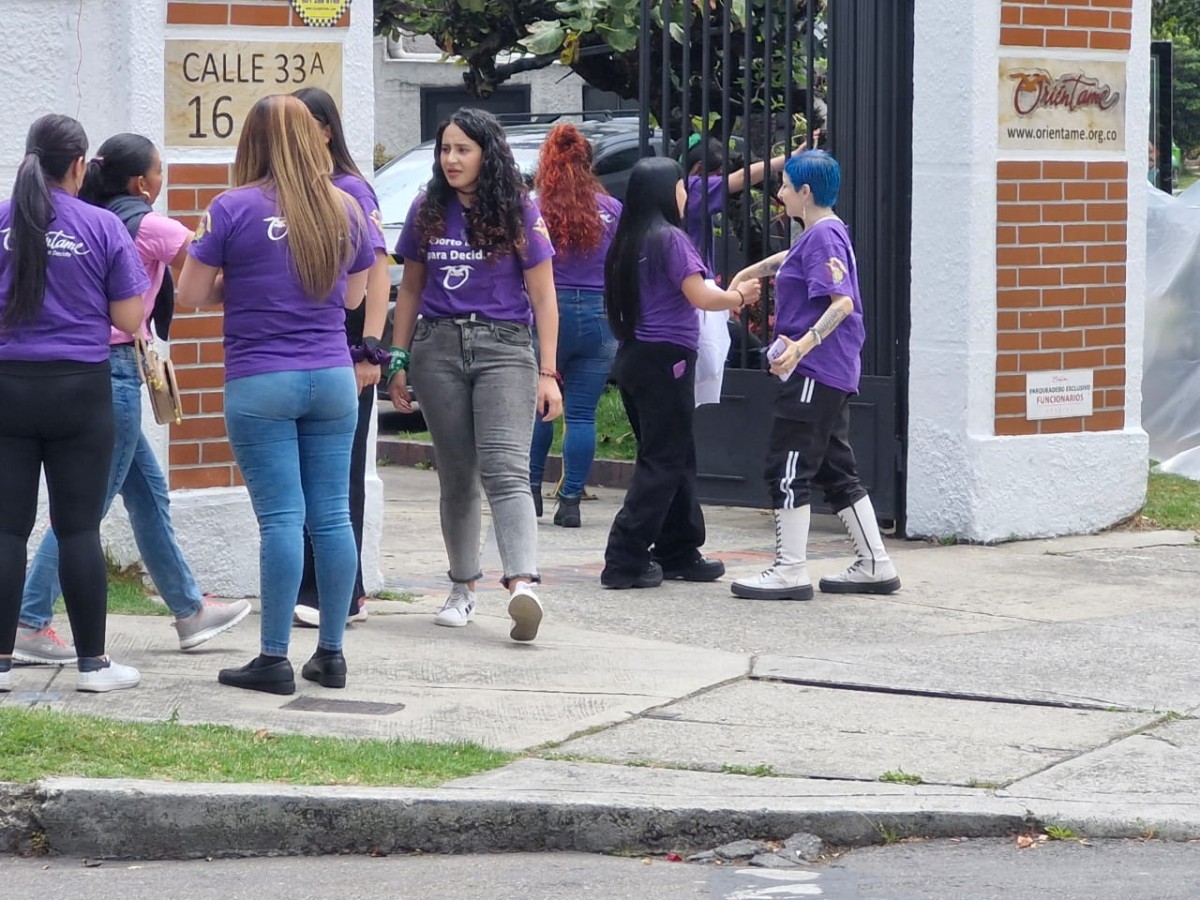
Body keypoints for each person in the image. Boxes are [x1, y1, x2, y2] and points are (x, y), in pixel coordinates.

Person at [10, 133, 251, 666]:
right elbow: (211, 270)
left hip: (82, 372)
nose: (163, 180)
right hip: (110, 372)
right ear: (141, 181)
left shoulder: (84, 214)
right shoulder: (152, 225)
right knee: (83, 513)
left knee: (147, 494)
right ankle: (29, 620)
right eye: (160, 171)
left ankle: (189, 610)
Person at [177, 95, 375, 695]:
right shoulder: (344, 206)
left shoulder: (230, 208)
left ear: (252, 143)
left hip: (261, 377)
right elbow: (352, 298)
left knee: (283, 519)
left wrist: (238, 280)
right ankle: (332, 653)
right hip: (332, 376)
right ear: (312, 140)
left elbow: (190, 293)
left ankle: (272, 658)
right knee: (333, 515)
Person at [386, 107, 562, 641]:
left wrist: (548, 372)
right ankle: (462, 589)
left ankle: (523, 584)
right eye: (445, 149)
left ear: (487, 152)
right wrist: (398, 359)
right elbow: (410, 289)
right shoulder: (427, 207)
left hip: (505, 347)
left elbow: (544, 295)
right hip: (435, 348)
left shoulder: (519, 211)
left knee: (506, 471)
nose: (451, 159)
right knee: (456, 474)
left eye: (462, 149)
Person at [0, 114, 148, 693]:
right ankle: (92, 666)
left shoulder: (4, 221)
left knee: (6, 532)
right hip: (80, 391)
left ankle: (2, 666)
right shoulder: (102, 225)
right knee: (79, 527)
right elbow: (128, 319)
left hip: (8, 386)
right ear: (81, 165)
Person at [727, 150, 900, 601]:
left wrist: (800, 347)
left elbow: (841, 303)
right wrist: (748, 273)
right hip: (830, 373)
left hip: (813, 372)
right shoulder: (825, 233)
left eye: (784, 186)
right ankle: (875, 563)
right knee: (835, 468)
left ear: (805, 192)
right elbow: (790, 259)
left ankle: (790, 569)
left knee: (788, 467)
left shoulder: (823, 238)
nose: (779, 193)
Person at [600, 157, 760, 590]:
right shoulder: (669, 238)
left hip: (635, 357)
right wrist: (737, 296)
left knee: (674, 455)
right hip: (665, 359)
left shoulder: (627, 238)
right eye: (683, 187)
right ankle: (625, 557)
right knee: (664, 461)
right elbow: (700, 295)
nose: (687, 195)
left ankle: (678, 549)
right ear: (667, 192)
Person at [290, 87, 391, 631]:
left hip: (349, 347)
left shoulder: (352, 189)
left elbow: (377, 274)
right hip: (311, 347)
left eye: (306, 125)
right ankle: (316, 584)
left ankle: (343, 592)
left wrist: (370, 351)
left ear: (327, 130)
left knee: (342, 473)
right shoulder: (299, 191)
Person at [527, 124, 621, 528]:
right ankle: (570, 503)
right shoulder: (612, 208)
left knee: (538, 409)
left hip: (549, 313)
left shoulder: (536, 206)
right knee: (582, 414)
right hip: (599, 314)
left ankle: (528, 494)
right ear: (590, 163)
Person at [677, 134, 808, 272]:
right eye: (717, 174)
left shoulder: (677, 188)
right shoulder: (693, 187)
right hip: (693, 275)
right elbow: (742, 177)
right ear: (699, 168)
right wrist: (792, 156)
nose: (719, 178)